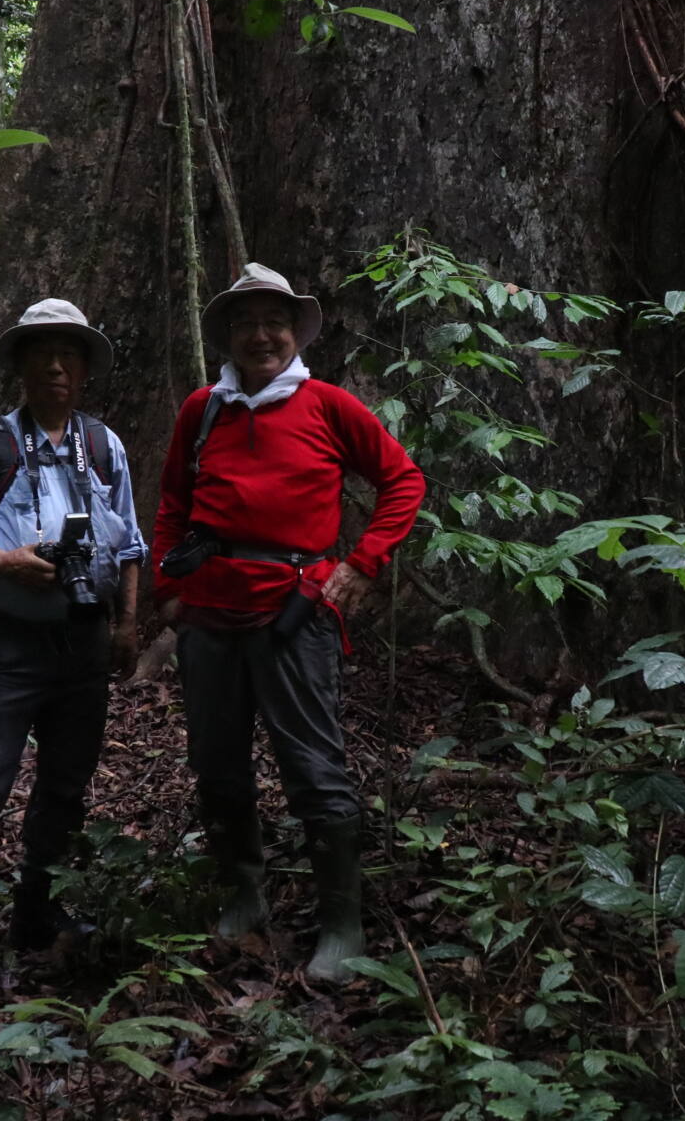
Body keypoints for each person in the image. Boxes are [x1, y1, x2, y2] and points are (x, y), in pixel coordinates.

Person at [151, 264, 424, 981]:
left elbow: (403, 479)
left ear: (293, 332)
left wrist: (363, 564)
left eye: (274, 321)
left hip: (293, 613)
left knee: (314, 769)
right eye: (247, 323)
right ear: (230, 335)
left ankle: (343, 924)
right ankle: (244, 896)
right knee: (216, 765)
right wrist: (166, 589)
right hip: (208, 617)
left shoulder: (328, 405)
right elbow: (174, 504)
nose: (261, 335)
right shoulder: (202, 409)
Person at [0, 298, 147, 985]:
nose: (56, 366)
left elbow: (132, 543)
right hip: (5, 644)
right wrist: (5, 561)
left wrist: (127, 625)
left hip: (82, 644)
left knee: (66, 785)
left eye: (69, 354)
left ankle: (37, 910)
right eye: (42, 353)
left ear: (84, 369)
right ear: (21, 365)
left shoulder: (104, 446)